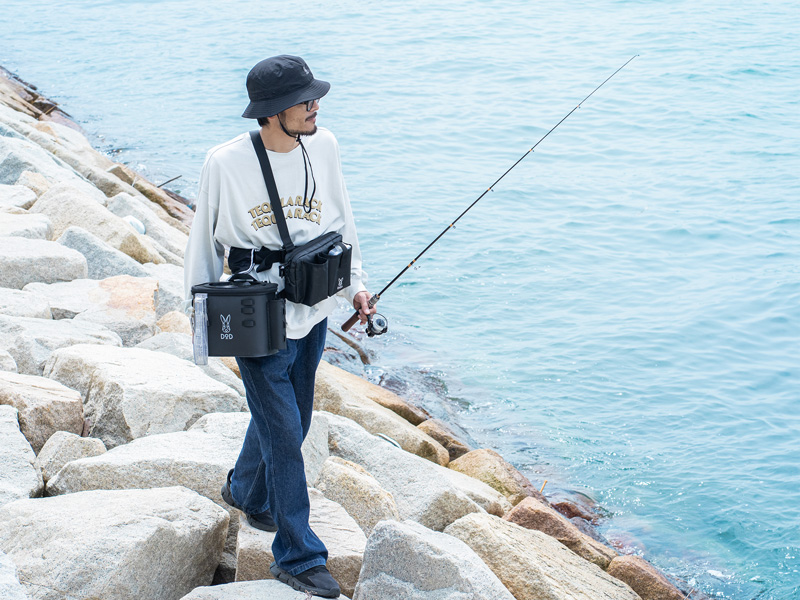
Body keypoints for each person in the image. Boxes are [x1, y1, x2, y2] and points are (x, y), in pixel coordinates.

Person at [184, 55, 374, 598]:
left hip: (312, 305)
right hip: (254, 312)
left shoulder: (326, 146)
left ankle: (246, 488)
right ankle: (297, 553)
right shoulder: (224, 162)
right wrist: (201, 325)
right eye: (305, 100)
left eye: (316, 98)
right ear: (271, 113)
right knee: (286, 433)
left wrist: (356, 285)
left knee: (294, 415)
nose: (316, 107)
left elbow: (342, 221)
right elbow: (203, 244)